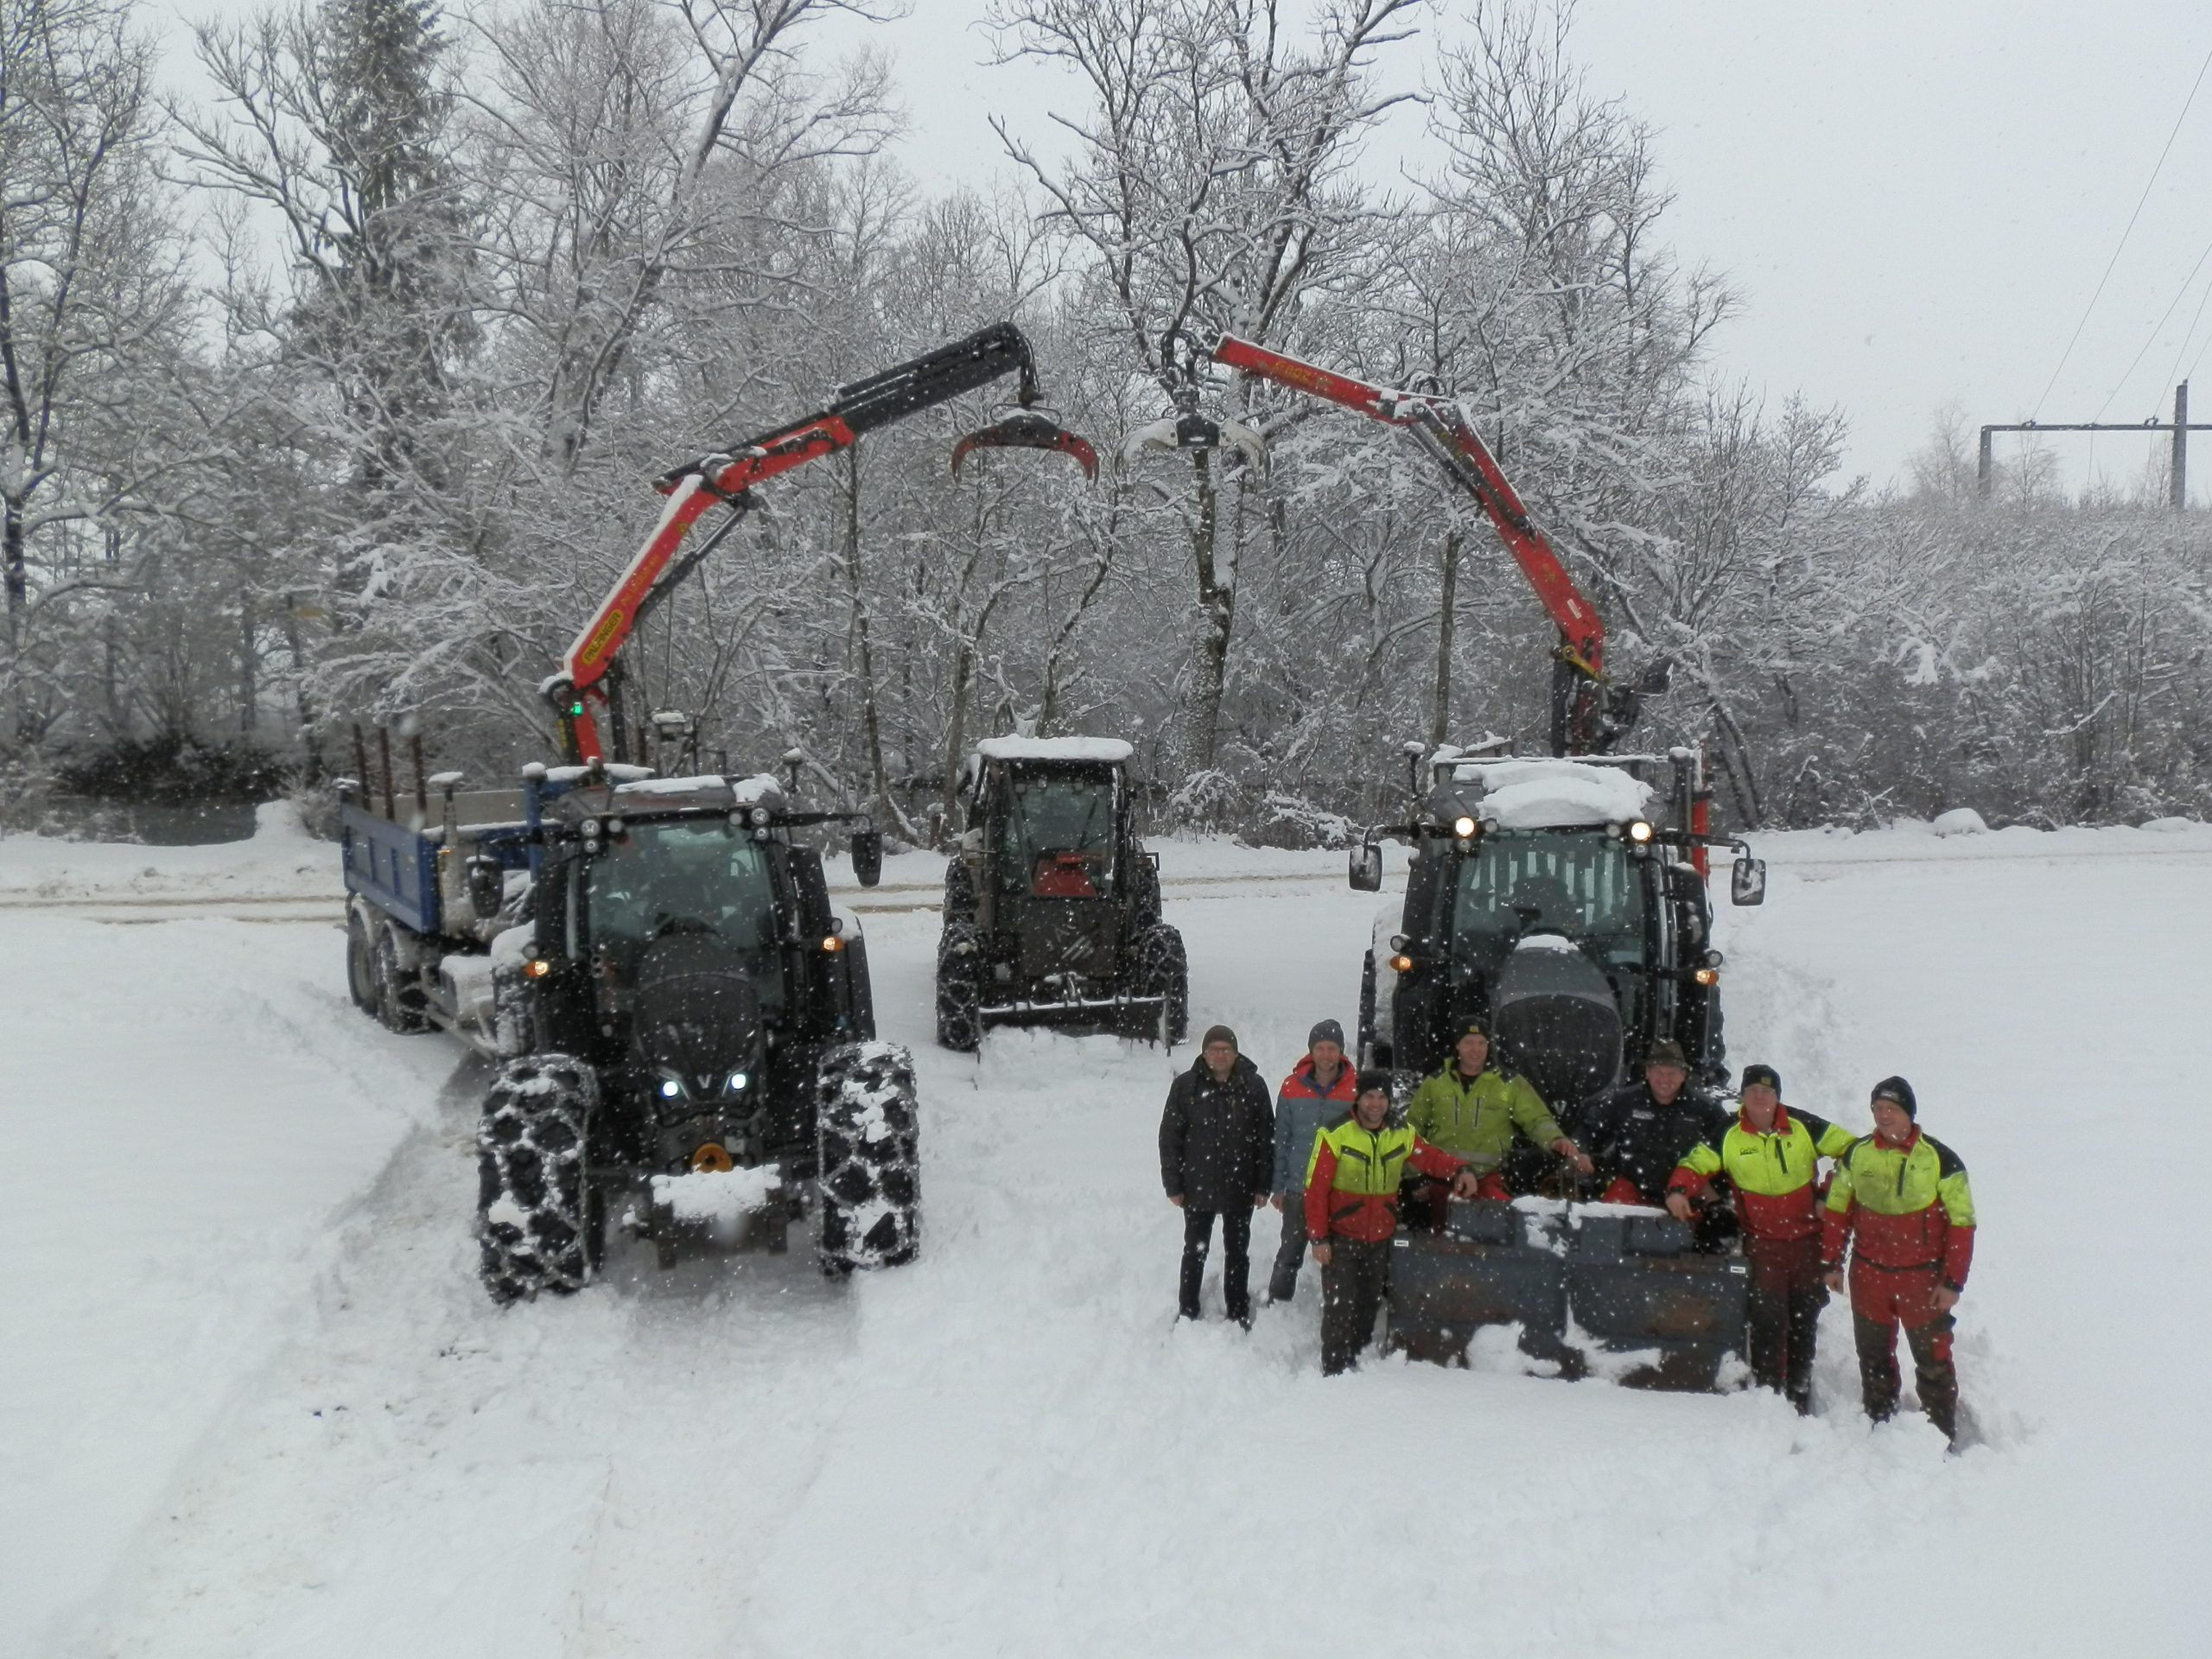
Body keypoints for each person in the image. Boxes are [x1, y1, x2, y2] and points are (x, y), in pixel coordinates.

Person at [1667, 1063, 1858, 1411]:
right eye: (1753, 1090)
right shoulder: (1728, 1134)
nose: (1760, 1097)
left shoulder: (1803, 1126)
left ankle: (1799, 1394)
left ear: (1777, 1098)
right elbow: (1694, 1164)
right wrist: (1679, 1190)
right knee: (1768, 1320)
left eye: (1767, 1092)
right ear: (1742, 1096)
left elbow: (1854, 1151)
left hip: (1807, 1242)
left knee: (1803, 1318)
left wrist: (1829, 1193)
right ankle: (1769, 1396)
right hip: (1763, 1244)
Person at [1821, 1077, 1976, 1442]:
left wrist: (1953, 1281)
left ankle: (1941, 1434)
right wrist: (1831, 1261)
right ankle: (1880, 1425)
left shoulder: (1941, 1159)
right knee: (1873, 1357)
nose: (1884, 1116)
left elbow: (1962, 1224)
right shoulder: (1858, 1154)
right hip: (1869, 1275)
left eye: (1891, 1109)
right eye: (1877, 1109)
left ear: (1909, 1113)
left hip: (1921, 1280)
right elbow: (1837, 1209)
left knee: (1934, 1362)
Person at [1306, 1071, 1483, 1374]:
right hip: (1343, 1236)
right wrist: (1319, 1238)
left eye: (1382, 1097)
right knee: (1340, 1307)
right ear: (1358, 1098)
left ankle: (1360, 1360)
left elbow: (1430, 1157)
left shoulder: (1401, 1133)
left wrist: (1461, 1169)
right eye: (1369, 1096)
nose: (1376, 1104)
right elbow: (1316, 1190)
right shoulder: (1335, 1134)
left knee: (1368, 1303)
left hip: (1380, 1236)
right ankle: (1334, 1371)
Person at [1159, 1024, 1274, 1325]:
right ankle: (1188, 1308)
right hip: (1198, 1184)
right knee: (1195, 1249)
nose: (1220, 1055)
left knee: (1238, 1252)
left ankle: (1237, 1309)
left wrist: (1263, 1184)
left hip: (1241, 1185)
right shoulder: (1186, 1087)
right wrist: (1174, 1184)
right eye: (1214, 1049)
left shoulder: (1254, 1086)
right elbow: (1170, 1138)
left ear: (1236, 1053)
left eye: (1226, 1050)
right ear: (1204, 1053)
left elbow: (1266, 1139)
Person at [1404, 1021, 1591, 1203]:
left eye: (1481, 1043)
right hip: (1442, 1184)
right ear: (1458, 1046)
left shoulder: (1509, 1084)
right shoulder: (1435, 1083)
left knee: (1502, 1230)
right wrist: (1416, 1179)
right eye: (1468, 1043)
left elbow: (1536, 1120)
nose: (1475, 1050)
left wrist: (1555, 1140)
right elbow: (1411, 1133)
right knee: (1444, 1234)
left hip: (1488, 1182)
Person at [1577, 1038, 1729, 1209]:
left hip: (1686, 1192)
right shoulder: (1624, 1101)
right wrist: (1582, 1152)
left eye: (1671, 1073)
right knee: (1605, 1223)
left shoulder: (1705, 1109)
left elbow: (1730, 1145)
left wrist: (1717, 1188)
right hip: (1632, 1187)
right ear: (1647, 1072)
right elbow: (1590, 1128)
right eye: (1658, 1072)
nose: (1664, 1079)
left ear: (1684, 1075)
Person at [1267, 1020, 1358, 1304]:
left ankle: (1337, 1306)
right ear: (1311, 1052)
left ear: (1341, 1051)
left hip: (1339, 1187)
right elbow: (1281, 1139)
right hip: (1298, 1186)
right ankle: (1278, 1304)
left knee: (1340, 1254)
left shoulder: (1356, 1088)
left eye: (1332, 1048)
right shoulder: (1292, 1087)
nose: (1326, 1055)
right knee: (1290, 1251)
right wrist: (1278, 1186)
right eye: (1320, 1048)